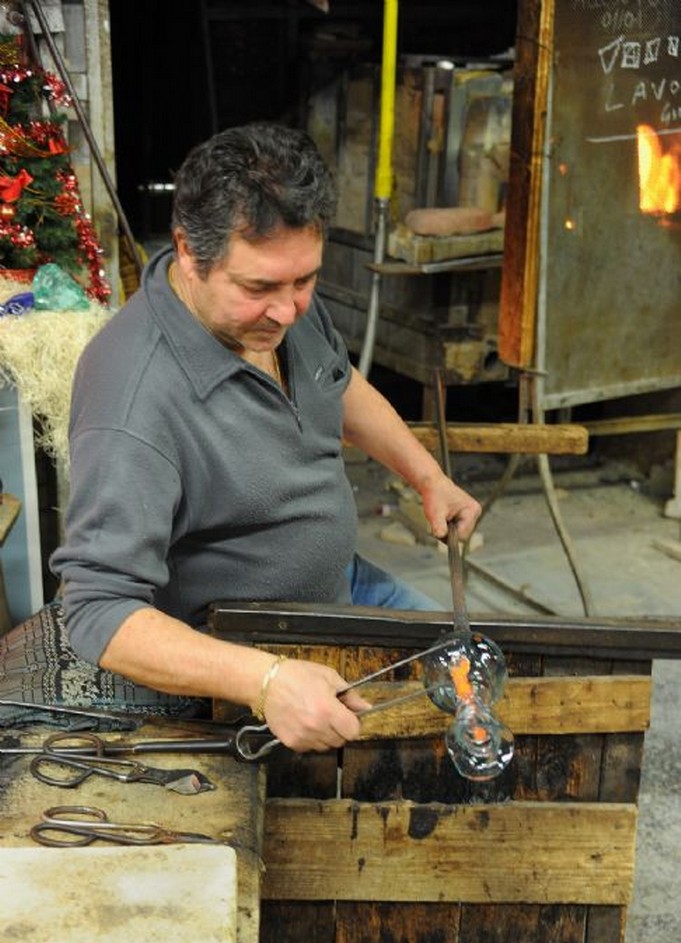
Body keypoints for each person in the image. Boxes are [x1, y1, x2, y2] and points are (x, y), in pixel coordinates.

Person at [49, 123, 481, 753]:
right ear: (188, 253)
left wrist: (427, 477)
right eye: (259, 289)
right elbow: (95, 611)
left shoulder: (282, 310)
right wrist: (267, 679)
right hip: (246, 654)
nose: (288, 311)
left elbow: (338, 382)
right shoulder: (134, 397)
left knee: (482, 682)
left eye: (304, 280)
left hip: (344, 589)